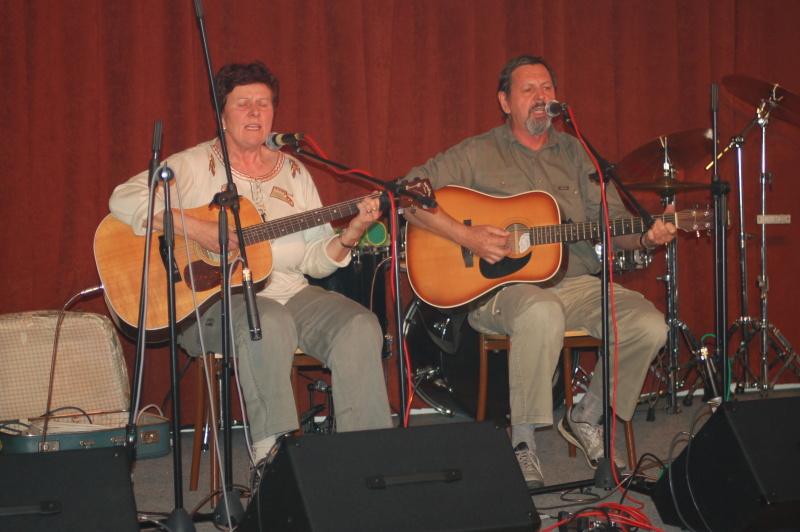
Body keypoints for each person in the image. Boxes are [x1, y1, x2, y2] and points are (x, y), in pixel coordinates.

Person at [402, 55, 675, 487]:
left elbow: (613, 221)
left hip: (575, 282)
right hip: (501, 291)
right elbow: (408, 194)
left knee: (649, 324)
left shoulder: (577, 154)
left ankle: (586, 415)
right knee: (541, 310)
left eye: (547, 88)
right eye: (529, 89)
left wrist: (645, 237)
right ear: (504, 102)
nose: (541, 97)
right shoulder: (477, 152)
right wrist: (468, 237)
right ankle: (523, 441)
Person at [109, 61, 393, 463]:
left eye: (264, 103)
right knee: (268, 322)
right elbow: (123, 198)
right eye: (243, 103)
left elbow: (315, 259)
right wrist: (196, 228)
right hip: (209, 303)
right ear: (222, 114)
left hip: (290, 292)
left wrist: (350, 235)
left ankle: (365, 459)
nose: (255, 112)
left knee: (360, 325)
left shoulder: (294, 172)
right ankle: (272, 456)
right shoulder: (193, 165)